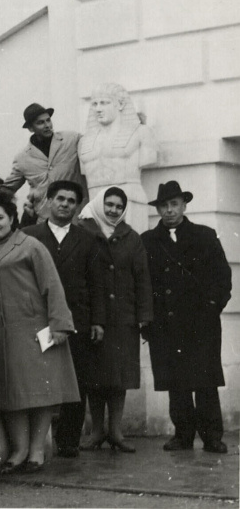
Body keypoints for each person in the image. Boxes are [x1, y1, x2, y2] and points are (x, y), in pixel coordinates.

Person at [0, 190, 79, 474]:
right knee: (12, 393)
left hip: (35, 330)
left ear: (11, 218)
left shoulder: (30, 246)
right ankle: (19, 450)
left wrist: (60, 324)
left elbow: (52, 285)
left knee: (40, 392)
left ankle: (36, 451)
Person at [141, 181, 232, 454]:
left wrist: (212, 306)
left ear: (184, 205)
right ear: (158, 208)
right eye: (164, 206)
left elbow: (222, 276)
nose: (169, 211)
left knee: (205, 381)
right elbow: (142, 281)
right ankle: (182, 435)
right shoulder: (147, 241)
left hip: (201, 323)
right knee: (176, 382)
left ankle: (212, 437)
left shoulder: (204, 235)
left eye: (174, 204)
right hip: (165, 324)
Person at [23, 180, 106, 458]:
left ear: (77, 206)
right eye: (60, 198)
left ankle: (69, 440)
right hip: (37, 319)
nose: (65, 204)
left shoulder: (88, 239)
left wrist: (97, 321)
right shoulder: (28, 236)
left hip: (76, 320)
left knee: (76, 381)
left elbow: (97, 284)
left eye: (71, 201)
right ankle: (35, 442)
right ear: (48, 201)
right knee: (37, 380)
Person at [75, 186, 152, 453]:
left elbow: (142, 278)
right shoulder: (84, 232)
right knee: (95, 377)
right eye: (109, 204)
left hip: (124, 318)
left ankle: (116, 432)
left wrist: (143, 316)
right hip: (94, 317)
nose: (113, 210)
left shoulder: (132, 238)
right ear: (100, 203)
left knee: (119, 376)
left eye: (119, 206)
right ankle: (96, 431)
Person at [79, 83, 158, 232]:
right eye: (95, 104)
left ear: (120, 104)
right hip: (95, 206)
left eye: (104, 103)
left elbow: (149, 158)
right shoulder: (84, 141)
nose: (98, 109)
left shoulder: (141, 133)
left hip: (130, 204)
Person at [4, 103, 82, 224]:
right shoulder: (22, 158)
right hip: (44, 220)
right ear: (30, 128)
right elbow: (7, 190)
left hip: (73, 217)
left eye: (48, 120)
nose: (47, 125)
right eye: (40, 123)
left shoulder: (71, 139)